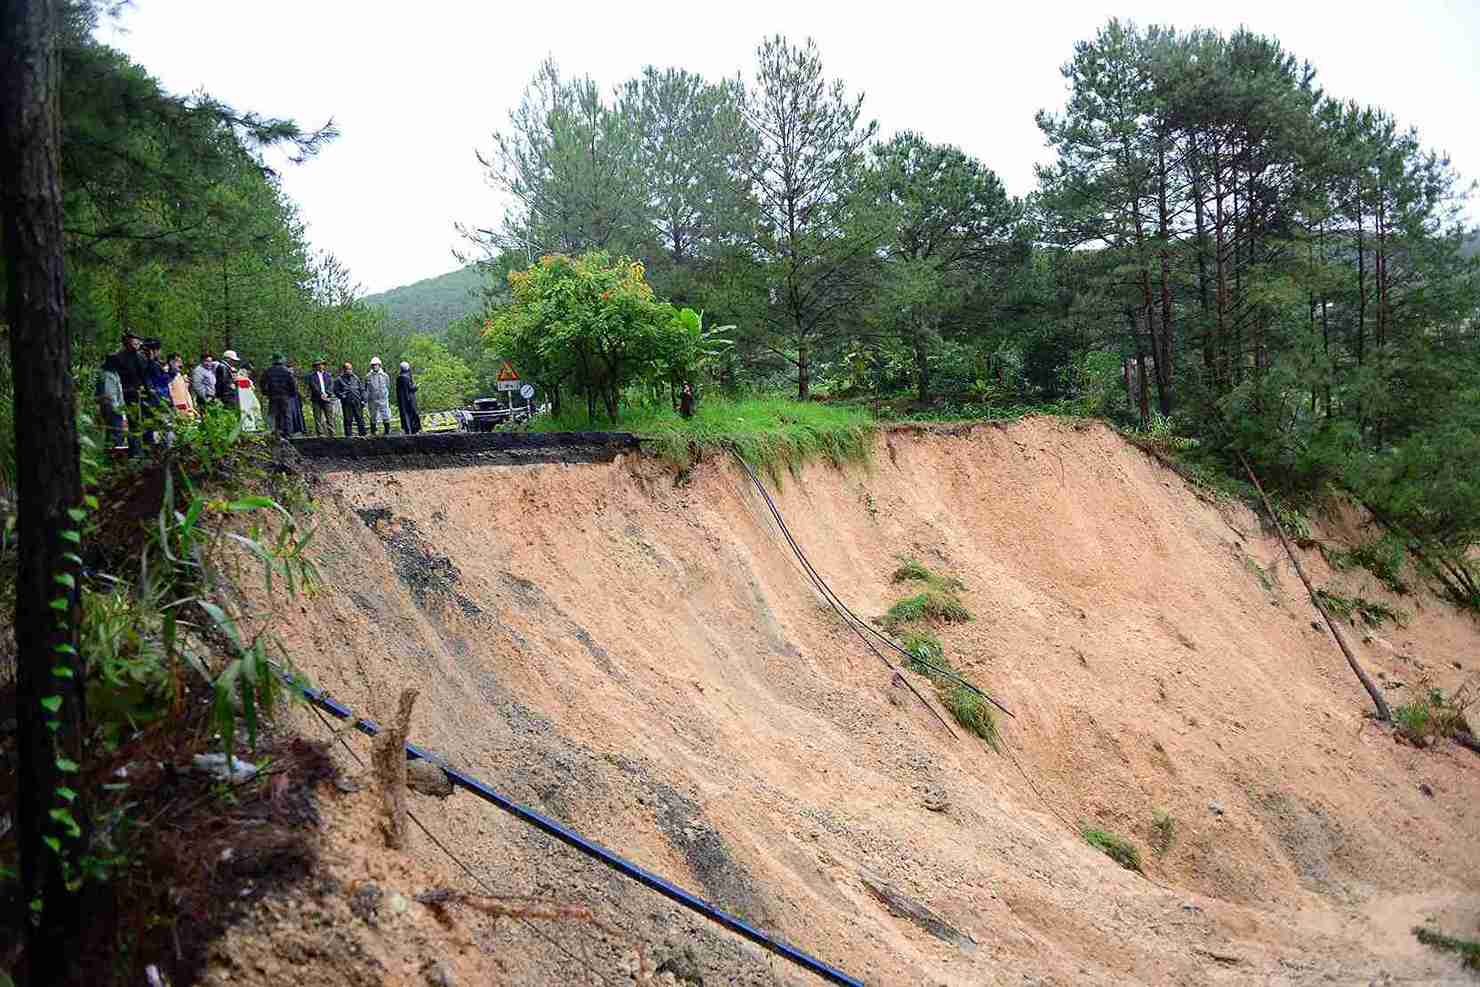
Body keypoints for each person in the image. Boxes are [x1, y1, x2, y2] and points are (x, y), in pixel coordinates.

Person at [102, 329, 147, 455]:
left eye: (137, 342)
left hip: (135, 396)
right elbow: (113, 379)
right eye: (133, 341)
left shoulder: (140, 358)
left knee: (136, 425)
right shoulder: (117, 358)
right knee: (118, 426)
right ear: (126, 342)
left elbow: (143, 377)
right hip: (121, 395)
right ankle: (117, 453)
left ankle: (136, 452)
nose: (136, 344)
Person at [260, 353, 298, 437]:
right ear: (281, 360)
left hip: (273, 396)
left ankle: (274, 433)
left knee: (273, 414)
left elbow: (262, 383)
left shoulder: (268, 371)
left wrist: (265, 392)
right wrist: (292, 394)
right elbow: (293, 384)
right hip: (285, 396)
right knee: (287, 414)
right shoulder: (287, 371)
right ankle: (288, 433)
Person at [334, 361, 366, 437]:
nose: (350, 371)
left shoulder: (356, 378)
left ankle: (363, 435)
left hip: (357, 401)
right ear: (344, 370)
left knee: (360, 419)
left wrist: (363, 399)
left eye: (351, 369)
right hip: (347, 402)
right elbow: (336, 391)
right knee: (348, 419)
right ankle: (348, 436)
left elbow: (361, 389)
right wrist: (342, 396)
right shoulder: (339, 379)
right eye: (348, 369)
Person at [306, 358, 336, 436]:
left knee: (329, 417)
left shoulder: (328, 375)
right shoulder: (311, 376)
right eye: (318, 365)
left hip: (327, 398)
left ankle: (331, 433)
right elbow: (313, 386)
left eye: (321, 364)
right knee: (317, 417)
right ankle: (320, 434)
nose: (320, 366)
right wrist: (321, 394)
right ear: (315, 366)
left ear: (324, 365)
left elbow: (331, 385)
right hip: (316, 399)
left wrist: (327, 393)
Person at [364, 356, 393, 435]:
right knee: (373, 415)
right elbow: (366, 388)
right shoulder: (368, 376)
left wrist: (384, 395)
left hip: (383, 398)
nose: (374, 366)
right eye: (373, 365)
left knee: (385, 414)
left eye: (376, 365)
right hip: (372, 399)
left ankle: (387, 430)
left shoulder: (385, 376)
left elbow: (388, 386)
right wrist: (366, 398)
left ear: (379, 365)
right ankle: (373, 431)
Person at [166, 353, 197, 420]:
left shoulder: (180, 375)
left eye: (181, 362)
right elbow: (170, 395)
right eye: (178, 362)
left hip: (188, 409)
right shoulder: (168, 377)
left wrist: (191, 407)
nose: (181, 365)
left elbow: (186, 393)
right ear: (171, 362)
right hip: (178, 411)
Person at [235, 361, 263, 433]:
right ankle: (249, 427)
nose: (250, 372)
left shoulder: (246, 379)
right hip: (245, 400)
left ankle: (257, 425)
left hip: (250, 398)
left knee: (256, 408)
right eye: (249, 370)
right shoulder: (240, 378)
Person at [396, 361, 421, 435]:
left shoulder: (398, 378)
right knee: (413, 414)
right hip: (409, 399)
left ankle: (407, 431)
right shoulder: (407, 377)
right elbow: (410, 388)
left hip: (402, 400)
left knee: (405, 415)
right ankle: (414, 430)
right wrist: (416, 387)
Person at [286, 358, 307, 435]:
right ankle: (292, 430)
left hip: (295, 397)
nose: (291, 370)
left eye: (292, 369)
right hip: (290, 397)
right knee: (292, 413)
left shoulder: (294, 377)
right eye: (290, 369)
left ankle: (299, 429)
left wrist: (301, 395)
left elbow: (296, 387)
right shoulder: (288, 377)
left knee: (297, 413)